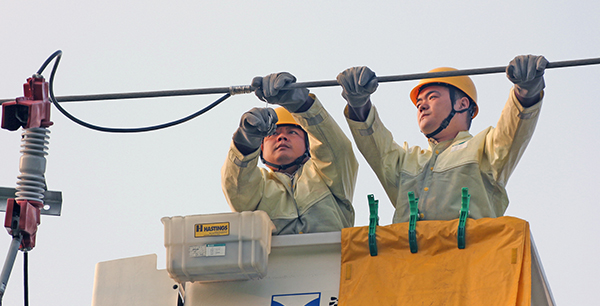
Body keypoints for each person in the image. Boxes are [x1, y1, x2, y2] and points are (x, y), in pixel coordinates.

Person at [336, 55, 547, 223]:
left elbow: (513, 128)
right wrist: (359, 103)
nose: (422, 105)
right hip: (410, 262)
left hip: (468, 260)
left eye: (433, 97)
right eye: (419, 102)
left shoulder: (483, 148)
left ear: (462, 104)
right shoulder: (408, 162)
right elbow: (375, 143)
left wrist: (526, 91)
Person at [221, 72, 358, 235]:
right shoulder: (260, 186)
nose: (282, 137)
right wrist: (245, 142)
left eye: (292, 132)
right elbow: (236, 186)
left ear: (308, 144)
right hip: (275, 253)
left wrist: (302, 104)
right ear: (261, 148)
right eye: (273, 134)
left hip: (332, 251)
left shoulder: (325, 175)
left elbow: (336, 150)